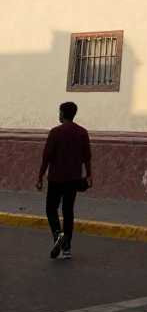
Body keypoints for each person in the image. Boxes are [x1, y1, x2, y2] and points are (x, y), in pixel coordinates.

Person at [36, 102, 92, 261]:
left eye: (59, 112)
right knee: (68, 211)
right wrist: (89, 175)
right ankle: (66, 248)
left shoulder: (55, 132)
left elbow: (46, 157)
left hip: (56, 179)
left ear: (62, 113)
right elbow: (87, 157)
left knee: (51, 208)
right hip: (74, 179)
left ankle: (58, 234)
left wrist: (40, 176)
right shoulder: (82, 132)